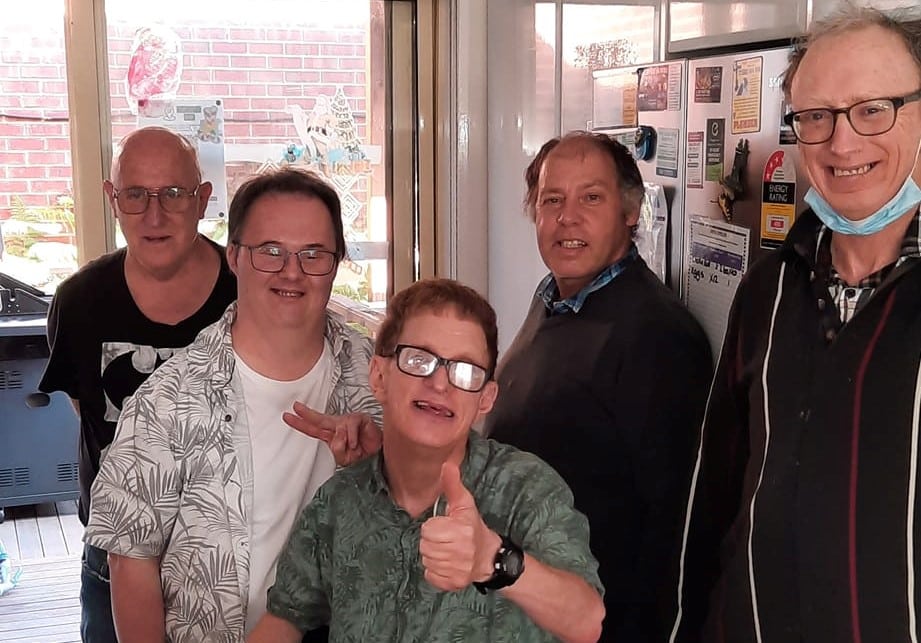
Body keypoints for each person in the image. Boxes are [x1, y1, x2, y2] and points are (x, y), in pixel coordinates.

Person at [671, 6, 921, 643]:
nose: (842, 143)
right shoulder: (767, 290)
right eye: (817, 117)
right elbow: (716, 498)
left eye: (873, 109)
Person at [84, 168, 382, 642]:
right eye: (271, 252)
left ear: (337, 262)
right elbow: (130, 558)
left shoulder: (379, 377)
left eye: (313, 254)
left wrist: (383, 461)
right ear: (235, 259)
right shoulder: (169, 401)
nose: (292, 271)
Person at [248, 278, 606, 643]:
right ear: (379, 376)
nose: (440, 383)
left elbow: (587, 621)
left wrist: (493, 560)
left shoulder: (526, 489)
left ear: (486, 398)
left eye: (465, 370)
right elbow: (284, 621)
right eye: (419, 359)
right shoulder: (338, 503)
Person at [484, 131, 712, 641]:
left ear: (631, 212)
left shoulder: (658, 336)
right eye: (552, 200)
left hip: (597, 619)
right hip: (527, 600)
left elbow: (675, 529)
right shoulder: (554, 300)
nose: (568, 218)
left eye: (591, 197)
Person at [38, 126, 238, 643]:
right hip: (114, 554)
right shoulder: (79, 301)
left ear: (202, 200)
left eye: (173, 193)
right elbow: (89, 415)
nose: (155, 215)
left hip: (231, 559)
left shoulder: (248, 294)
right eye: (135, 195)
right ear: (112, 199)